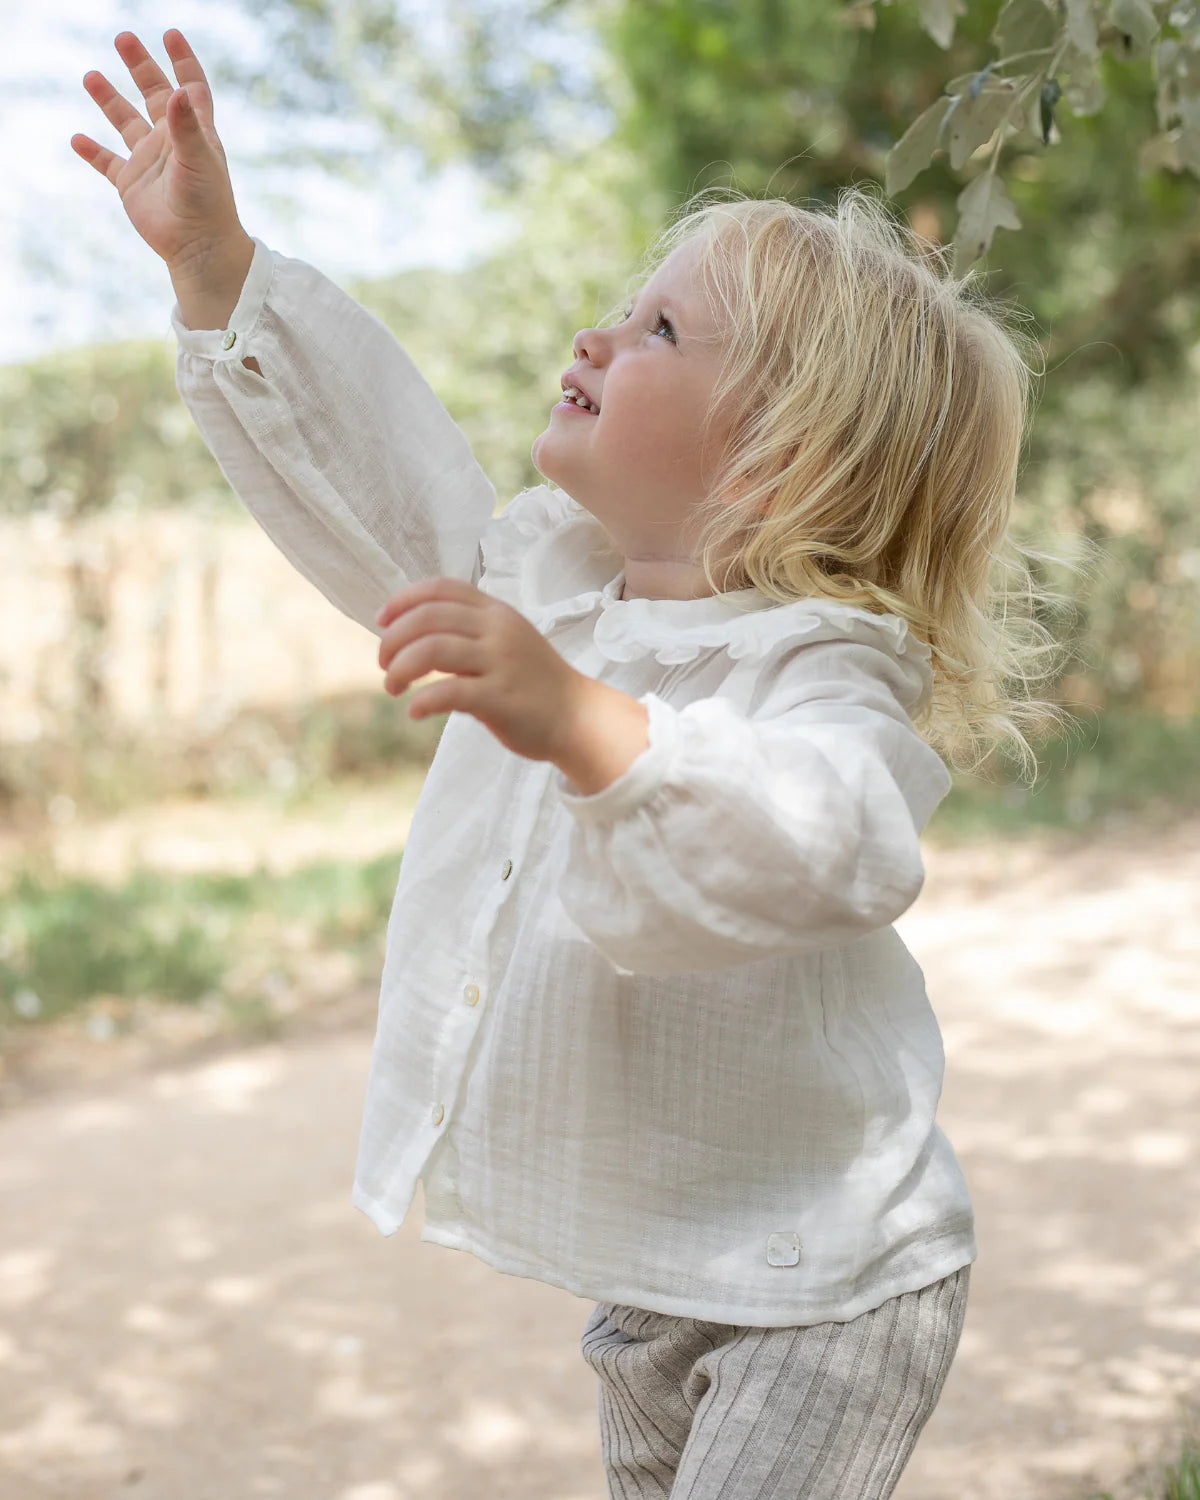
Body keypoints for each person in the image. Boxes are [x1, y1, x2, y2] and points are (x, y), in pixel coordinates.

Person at [73, 29, 1071, 1498]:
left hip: (827, 1284)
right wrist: (218, 269)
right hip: (655, 1275)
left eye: (661, 330)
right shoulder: (552, 589)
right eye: (624, 308)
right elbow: (380, 480)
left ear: (782, 459)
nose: (599, 335)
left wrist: (594, 728)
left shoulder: (819, 662)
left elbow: (843, 835)